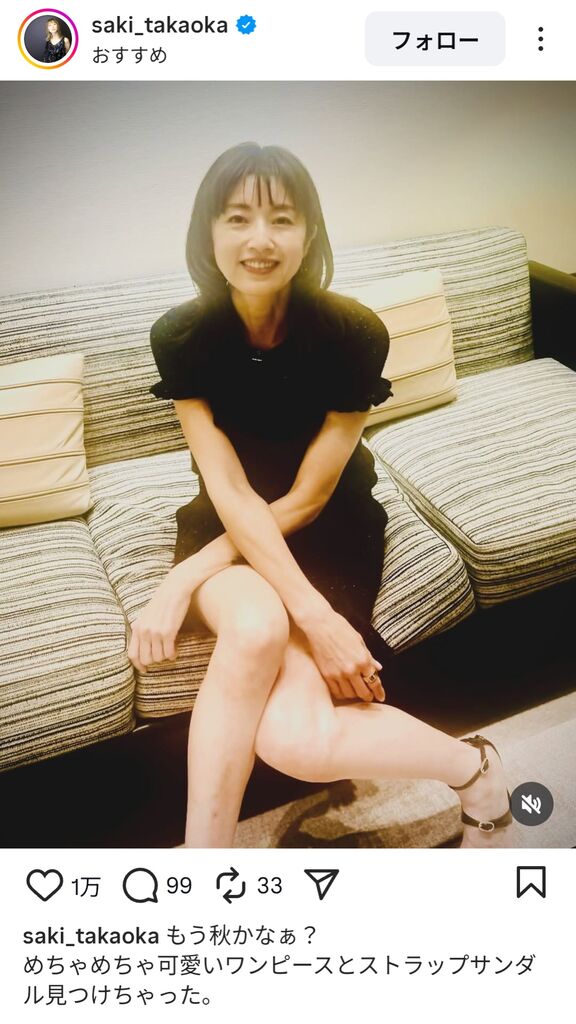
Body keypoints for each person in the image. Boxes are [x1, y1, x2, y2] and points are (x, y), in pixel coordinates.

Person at [129, 142, 512, 849]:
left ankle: (476, 768)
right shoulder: (180, 335)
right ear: (207, 233)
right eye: (237, 218)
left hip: (330, 527)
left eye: (282, 219)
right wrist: (194, 571)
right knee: (252, 628)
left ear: (310, 234)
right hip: (228, 518)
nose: (260, 239)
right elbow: (229, 487)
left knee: (298, 743)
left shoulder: (353, 334)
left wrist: (307, 611)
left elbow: (308, 497)